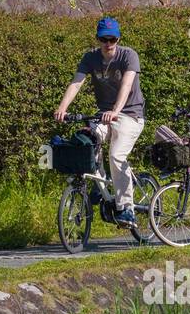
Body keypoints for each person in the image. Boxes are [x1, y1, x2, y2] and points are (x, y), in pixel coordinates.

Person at [53, 16, 146, 229]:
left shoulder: (128, 55)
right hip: (104, 114)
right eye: (104, 39)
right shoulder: (90, 58)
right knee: (86, 139)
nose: (108, 44)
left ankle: (127, 209)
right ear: (97, 39)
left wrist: (115, 111)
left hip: (130, 114)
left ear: (118, 38)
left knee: (116, 155)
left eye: (112, 39)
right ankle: (100, 185)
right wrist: (62, 108)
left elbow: (126, 84)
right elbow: (76, 83)